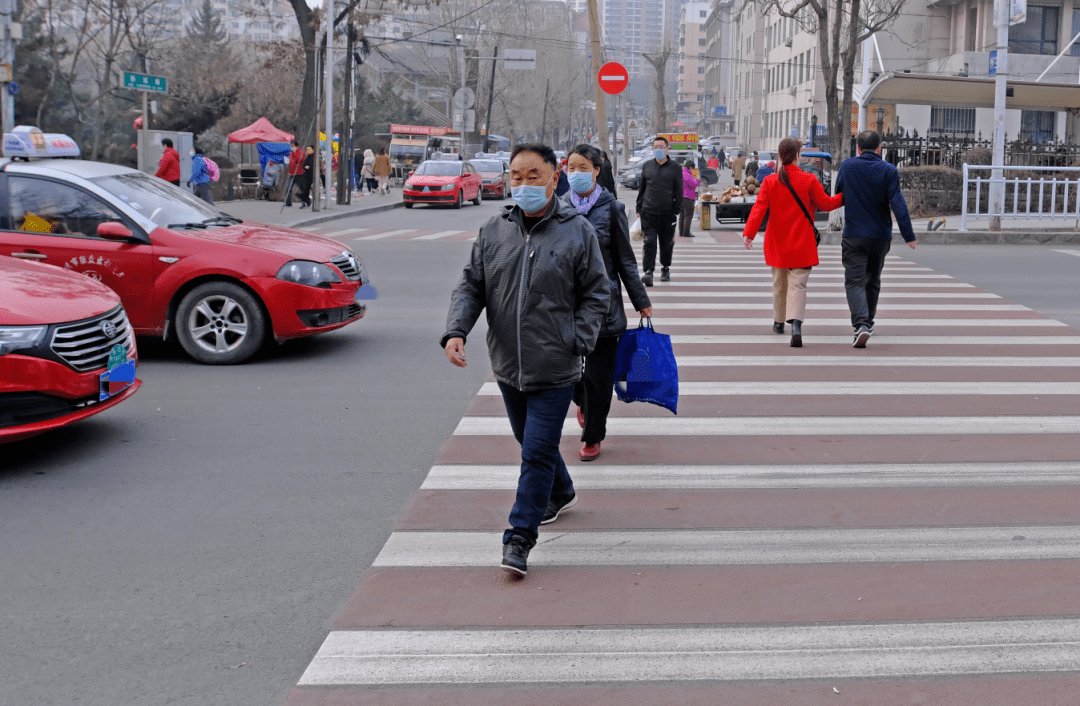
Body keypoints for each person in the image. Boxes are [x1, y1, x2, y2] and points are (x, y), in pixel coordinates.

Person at [442, 143, 609, 577]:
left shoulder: (576, 232)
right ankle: (563, 490)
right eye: (516, 175)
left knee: (535, 452)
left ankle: (519, 537)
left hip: (556, 364)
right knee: (530, 441)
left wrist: (579, 338)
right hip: (508, 364)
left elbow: (597, 293)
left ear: (555, 179)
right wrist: (456, 330)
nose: (523, 184)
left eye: (534, 175)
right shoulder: (494, 230)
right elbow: (471, 285)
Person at [563, 144, 652, 461]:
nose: (576, 173)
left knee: (600, 379)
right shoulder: (558, 207)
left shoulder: (611, 208)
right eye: (571, 167)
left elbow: (626, 261)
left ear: (597, 170)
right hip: (566, 308)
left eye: (583, 167)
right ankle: (583, 401)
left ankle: (592, 437)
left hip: (604, 308)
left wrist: (640, 299)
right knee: (569, 374)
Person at [742, 137, 843, 347]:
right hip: (802, 241)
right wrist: (845, 196)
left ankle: (779, 322)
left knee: (779, 283)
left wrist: (749, 234)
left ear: (780, 156)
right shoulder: (809, 180)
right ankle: (796, 324)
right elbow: (825, 204)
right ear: (797, 156)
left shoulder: (770, 181)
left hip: (777, 242)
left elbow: (759, 208)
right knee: (798, 285)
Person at [836, 129, 917, 348]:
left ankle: (861, 324)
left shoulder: (847, 166)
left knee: (854, 281)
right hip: (880, 236)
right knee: (873, 280)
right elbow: (898, 203)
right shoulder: (889, 170)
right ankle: (868, 323)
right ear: (879, 148)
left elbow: (838, 192)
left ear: (858, 148)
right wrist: (909, 235)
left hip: (854, 235)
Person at [635, 136, 682, 286]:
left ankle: (665, 268)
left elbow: (679, 191)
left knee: (666, 243)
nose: (658, 149)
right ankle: (648, 272)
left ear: (668, 149)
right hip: (648, 212)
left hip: (668, 213)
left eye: (661, 146)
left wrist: (676, 210)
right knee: (649, 243)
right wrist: (639, 207)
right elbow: (642, 188)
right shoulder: (647, 165)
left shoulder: (675, 167)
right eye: (655, 147)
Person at [678, 158, 700, 238]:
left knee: (682, 215)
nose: (693, 170)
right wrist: (698, 178)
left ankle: (681, 232)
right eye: (693, 169)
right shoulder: (687, 175)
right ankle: (686, 233)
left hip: (681, 196)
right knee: (688, 215)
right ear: (690, 168)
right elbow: (693, 185)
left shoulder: (682, 172)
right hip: (688, 197)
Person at [285, 140, 305, 207]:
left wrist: (295, 153)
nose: (292, 147)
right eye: (291, 146)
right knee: (288, 188)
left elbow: (300, 160)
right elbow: (291, 162)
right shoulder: (291, 153)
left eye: (293, 146)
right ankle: (288, 203)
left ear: (297, 146)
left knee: (302, 189)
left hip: (299, 174)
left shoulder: (300, 152)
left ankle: (304, 202)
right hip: (291, 173)